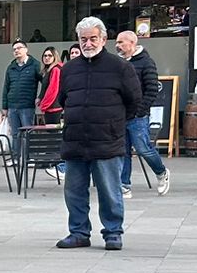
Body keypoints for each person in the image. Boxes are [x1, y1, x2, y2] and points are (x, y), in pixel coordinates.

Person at [55, 17, 138, 252]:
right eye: (83, 39)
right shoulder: (69, 69)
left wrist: (114, 124)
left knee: (110, 190)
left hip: (107, 140)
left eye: (93, 38)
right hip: (75, 139)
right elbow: (64, 100)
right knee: (74, 192)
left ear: (103, 39)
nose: (88, 43)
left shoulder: (121, 67)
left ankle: (113, 233)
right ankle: (79, 232)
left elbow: (134, 102)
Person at [114, 31, 171, 198]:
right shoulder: (118, 63)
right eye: (117, 42)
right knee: (122, 151)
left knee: (143, 148)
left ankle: (161, 172)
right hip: (120, 114)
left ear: (132, 43)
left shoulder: (146, 62)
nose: (117, 45)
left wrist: (141, 110)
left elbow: (152, 89)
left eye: (121, 42)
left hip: (138, 116)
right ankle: (124, 185)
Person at [0, 39, 41, 140]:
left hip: (27, 106)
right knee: (15, 134)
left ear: (26, 49)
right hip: (12, 106)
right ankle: (16, 156)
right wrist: (4, 107)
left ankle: (27, 155)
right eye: (14, 49)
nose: (16, 51)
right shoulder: (11, 67)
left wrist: (40, 97)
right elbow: (6, 87)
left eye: (19, 48)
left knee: (27, 133)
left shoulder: (35, 65)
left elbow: (44, 82)